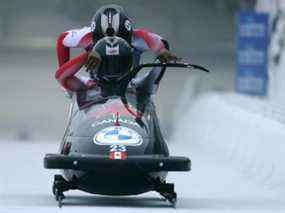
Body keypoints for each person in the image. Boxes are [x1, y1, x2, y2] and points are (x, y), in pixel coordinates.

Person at [55, 4, 180, 94]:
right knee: (68, 83)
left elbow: (159, 44)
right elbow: (62, 41)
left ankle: (149, 86)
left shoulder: (138, 37)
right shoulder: (86, 36)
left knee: (68, 83)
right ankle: (149, 87)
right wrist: (84, 58)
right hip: (96, 84)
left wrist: (161, 51)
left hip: (130, 83)